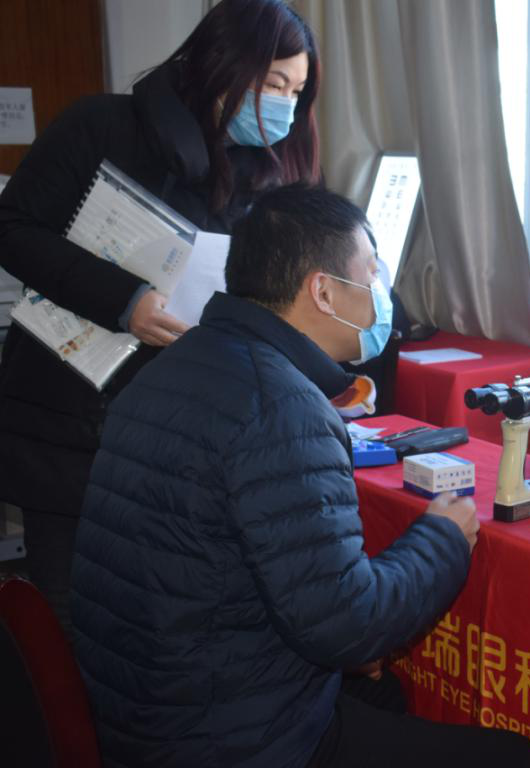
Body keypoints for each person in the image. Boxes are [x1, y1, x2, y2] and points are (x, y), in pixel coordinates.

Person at [71, 185, 530, 768]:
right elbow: (349, 625)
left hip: (138, 705)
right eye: (371, 274)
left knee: (385, 694)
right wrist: (443, 538)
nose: (381, 294)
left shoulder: (174, 366)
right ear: (323, 291)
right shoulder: (281, 405)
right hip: (228, 739)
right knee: (517, 758)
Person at [0, 0, 323, 635]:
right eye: (273, 83)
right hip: (67, 422)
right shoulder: (100, 125)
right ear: (221, 63)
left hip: (179, 441)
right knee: (70, 621)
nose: (284, 105)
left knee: (154, 627)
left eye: (296, 91)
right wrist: (124, 301)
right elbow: (12, 228)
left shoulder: (266, 179)